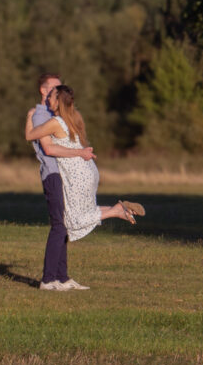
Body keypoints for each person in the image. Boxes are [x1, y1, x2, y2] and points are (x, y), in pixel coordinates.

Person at [26, 83, 144, 289]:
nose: (48, 101)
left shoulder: (54, 122)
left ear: (58, 102)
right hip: (89, 170)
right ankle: (118, 210)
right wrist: (80, 153)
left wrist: (29, 117)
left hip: (76, 174)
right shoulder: (75, 119)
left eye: (52, 97)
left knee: (72, 220)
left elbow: (31, 136)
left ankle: (115, 211)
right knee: (80, 213)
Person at [29, 73, 96, 291]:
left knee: (64, 225)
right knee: (59, 225)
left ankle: (62, 277)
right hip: (54, 174)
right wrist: (79, 153)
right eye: (55, 90)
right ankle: (48, 279)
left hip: (66, 174)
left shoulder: (56, 115)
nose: (58, 93)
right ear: (44, 91)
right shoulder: (40, 115)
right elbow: (46, 146)